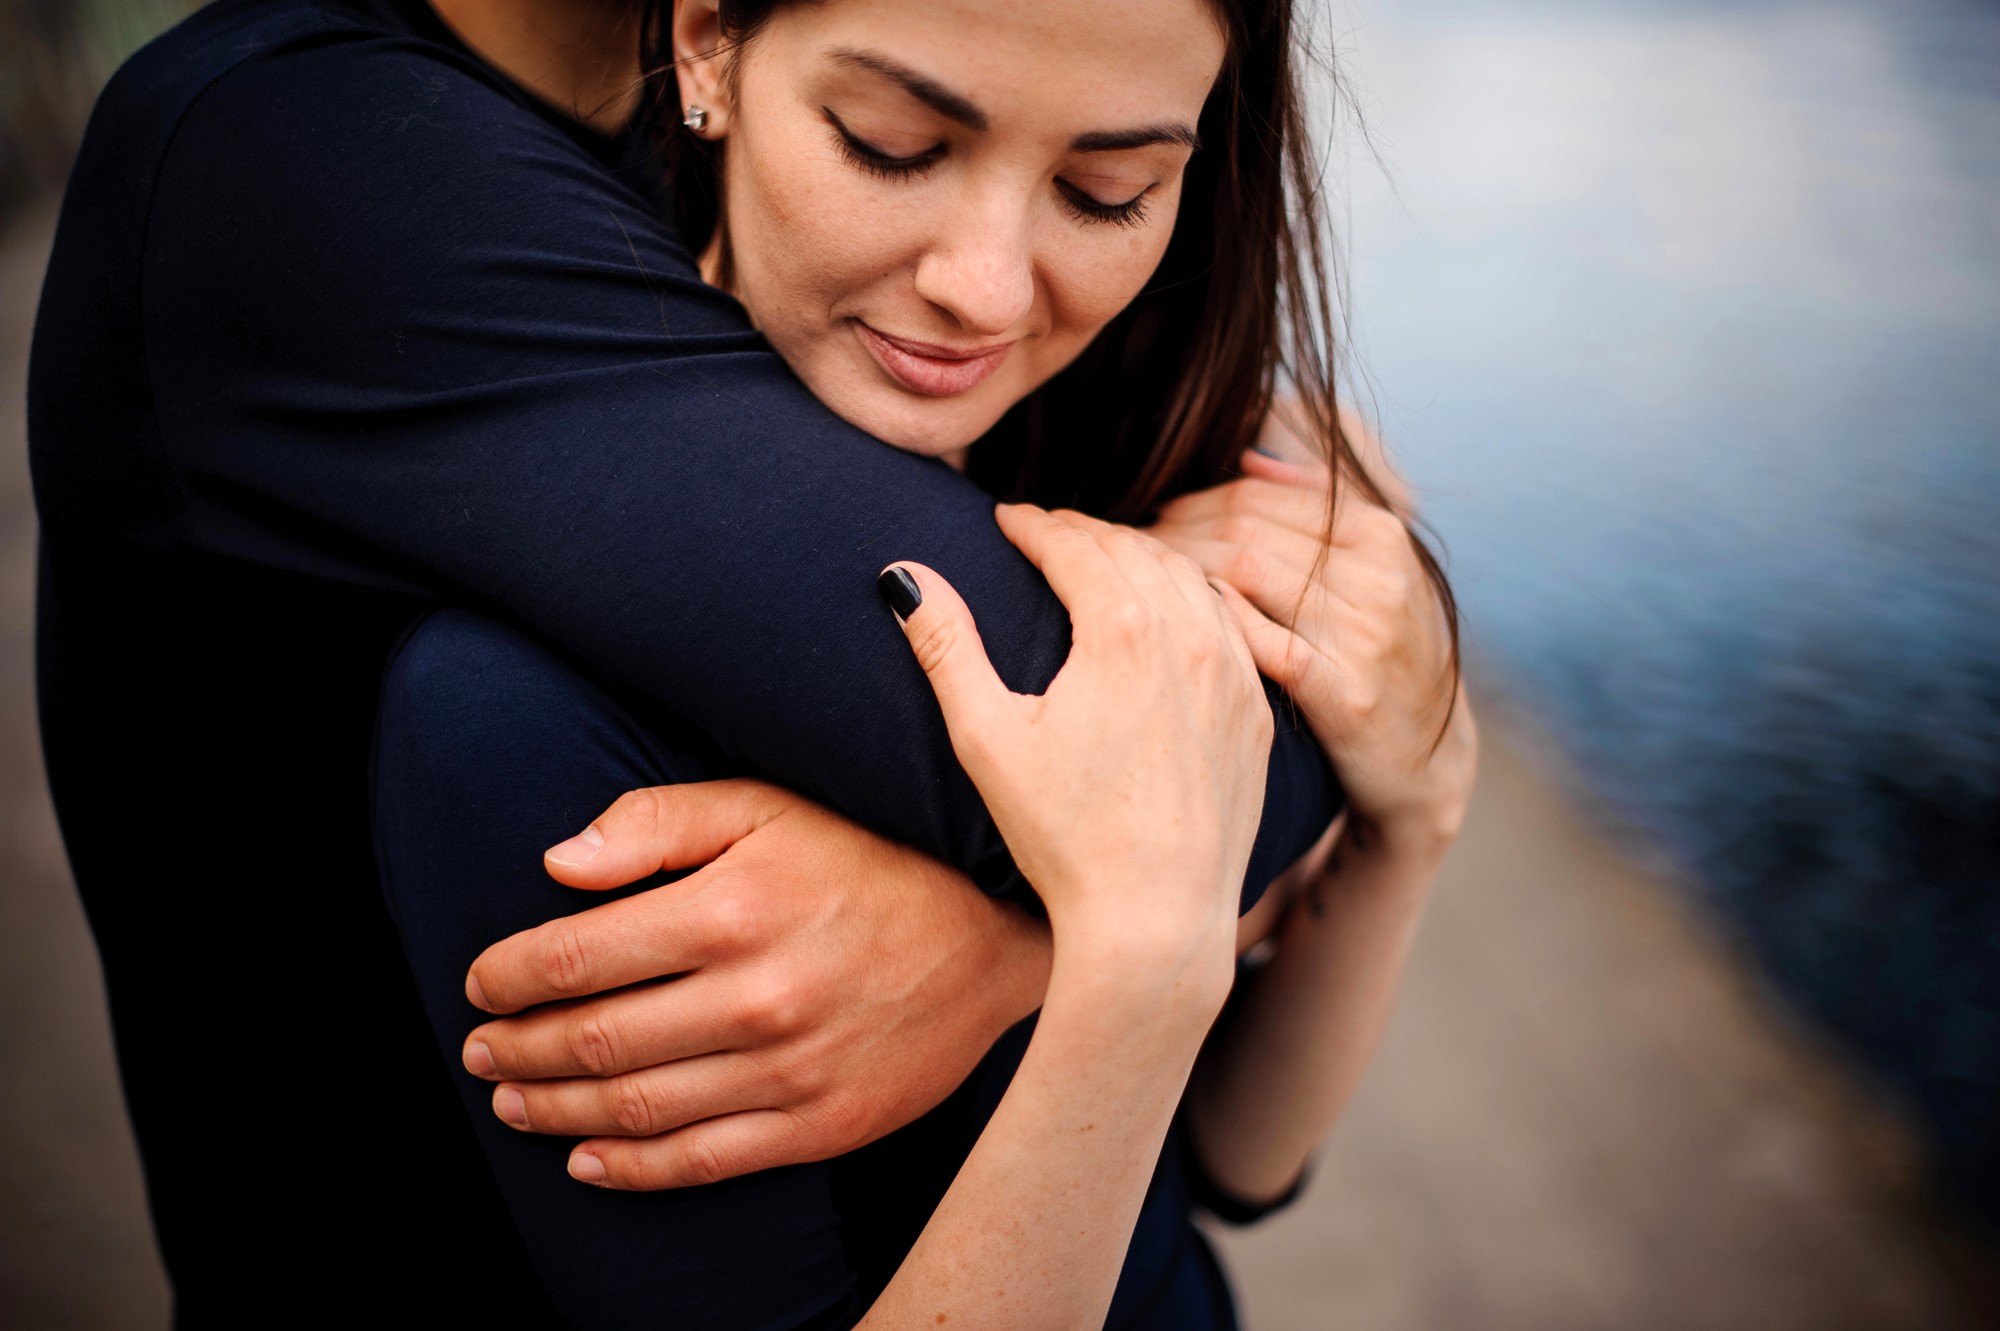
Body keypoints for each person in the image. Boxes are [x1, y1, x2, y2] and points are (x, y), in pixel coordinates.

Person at [28, 0, 1472, 1324]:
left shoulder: (1083, 413)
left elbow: (1228, 1156)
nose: (980, 286)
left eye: (1109, 192)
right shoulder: (527, 696)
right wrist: (1125, 944)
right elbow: (1157, 769)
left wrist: (1399, 816)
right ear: (710, 52)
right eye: (889, 145)